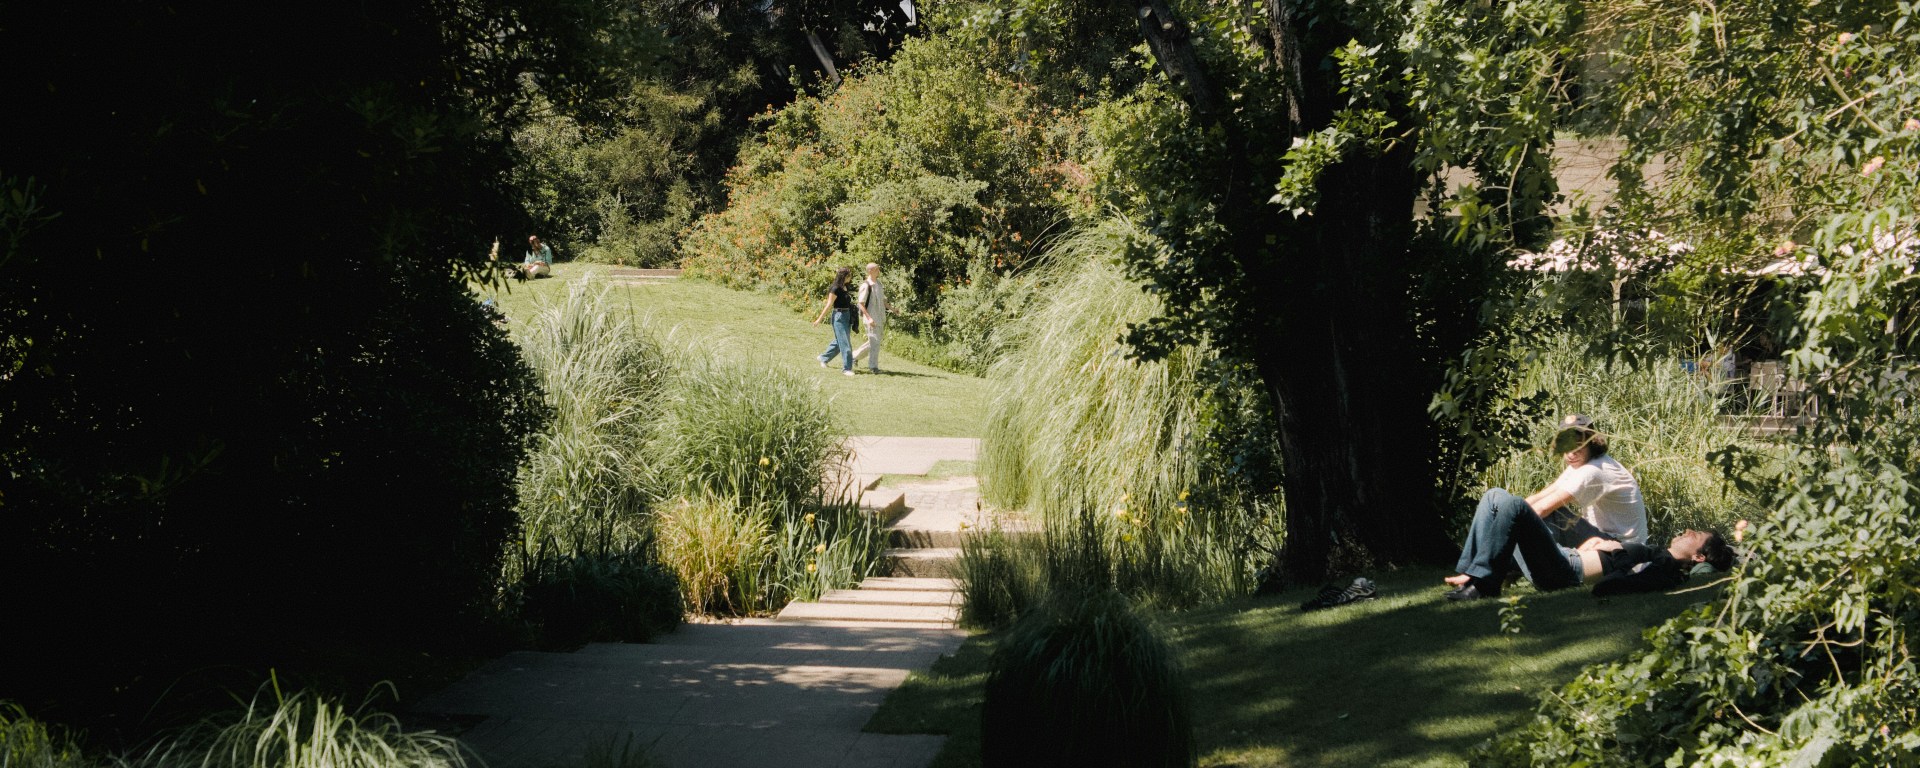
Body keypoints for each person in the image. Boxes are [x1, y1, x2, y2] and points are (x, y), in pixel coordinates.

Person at [1443, 486, 1736, 600]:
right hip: (1566, 558)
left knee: (1514, 507)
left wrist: (1616, 555)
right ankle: (1471, 576)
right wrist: (1603, 546)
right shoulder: (1658, 554)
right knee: (1494, 497)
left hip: (1565, 571)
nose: (1687, 531)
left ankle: (1482, 581)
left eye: (1695, 536)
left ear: (1699, 557)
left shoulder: (1665, 568)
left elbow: (1623, 583)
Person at [1523, 414, 1649, 546]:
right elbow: (1542, 496)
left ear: (1592, 443)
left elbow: (1542, 508)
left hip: (1622, 548)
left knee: (1554, 516)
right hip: (1604, 537)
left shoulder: (1593, 470)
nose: (1571, 453)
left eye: (1578, 445)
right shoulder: (1581, 463)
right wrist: (1512, 510)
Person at [812, 266, 857, 376]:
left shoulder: (845, 287)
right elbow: (829, 305)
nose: (850, 277)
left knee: (839, 342)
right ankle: (847, 368)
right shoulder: (835, 288)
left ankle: (823, 358)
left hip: (847, 316)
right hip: (839, 316)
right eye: (849, 275)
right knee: (845, 343)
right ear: (844, 276)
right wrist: (819, 319)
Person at [851, 262, 889, 373]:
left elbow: (883, 301)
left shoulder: (879, 284)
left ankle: (854, 356)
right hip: (871, 319)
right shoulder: (866, 285)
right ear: (870, 271)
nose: (879, 271)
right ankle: (873, 367)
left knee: (874, 342)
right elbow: (861, 304)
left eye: (878, 269)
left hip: (880, 318)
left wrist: (892, 309)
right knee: (874, 342)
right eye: (876, 269)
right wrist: (869, 318)